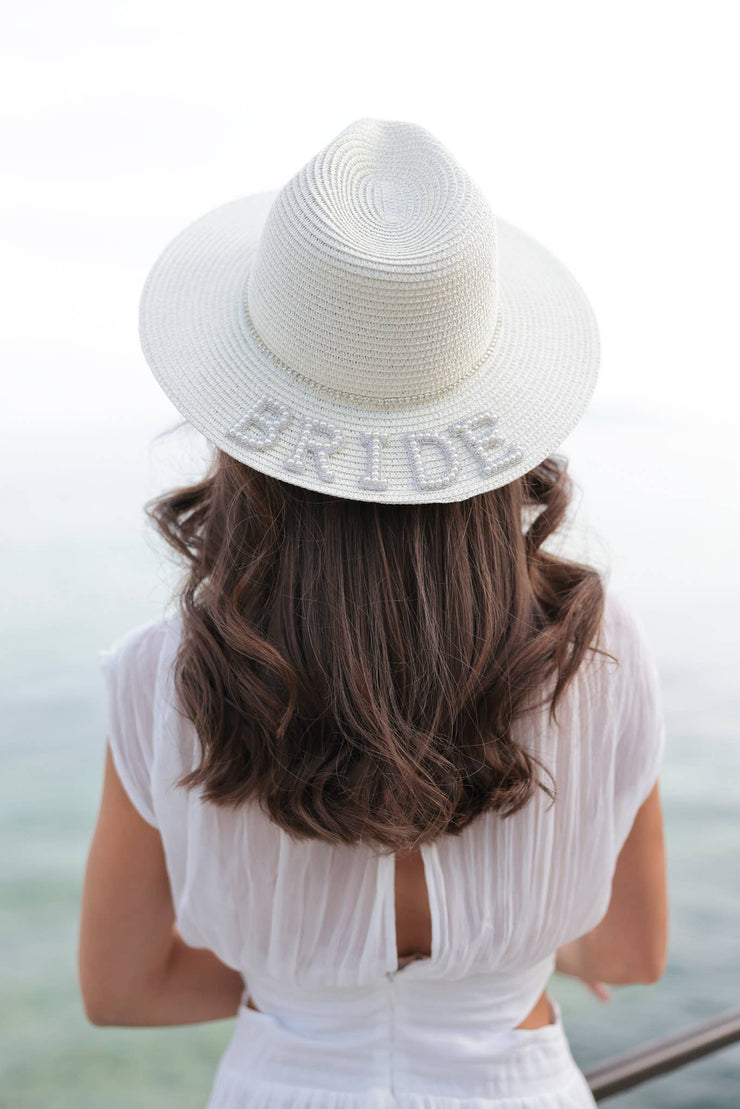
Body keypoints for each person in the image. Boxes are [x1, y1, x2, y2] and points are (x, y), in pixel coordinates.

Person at [78, 118, 668, 1108]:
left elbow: (126, 986)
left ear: (244, 428)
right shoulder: (594, 655)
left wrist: (308, 980)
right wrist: (509, 942)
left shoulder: (161, 674)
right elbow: (630, 949)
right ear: (495, 437)